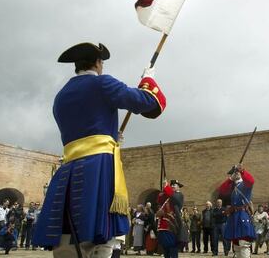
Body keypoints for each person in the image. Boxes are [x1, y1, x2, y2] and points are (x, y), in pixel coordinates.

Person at [32, 42, 166, 257]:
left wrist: (111, 136)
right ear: (97, 63)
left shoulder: (61, 95)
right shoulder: (102, 84)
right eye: (101, 62)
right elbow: (145, 102)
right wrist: (148, 80)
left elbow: (85, 127)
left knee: (69, 234)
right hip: (99, 165)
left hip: (69, 168)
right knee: (104, 235)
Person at [218, 163, 256, 258]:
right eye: (235, 172)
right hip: (234, 216)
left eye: (238, 172)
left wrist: (242, 170)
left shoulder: (245, 184)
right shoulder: (232, 186)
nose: (237, 173)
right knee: (236, 245)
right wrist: (230, 179)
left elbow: (251, 181)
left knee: (243, 243)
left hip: (242, 214)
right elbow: (221, 190)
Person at [157, 179, 184, 258]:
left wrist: (166, 187)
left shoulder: (179, 195)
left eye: (174, 185)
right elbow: (159, 200)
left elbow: (174, 198)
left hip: (171, 225)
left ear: (178, 187)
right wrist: (163, 191)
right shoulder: (168, 196)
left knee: (172, 246)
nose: (172, 186)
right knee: (165, 247)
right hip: (163, 225)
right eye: (171, 185)